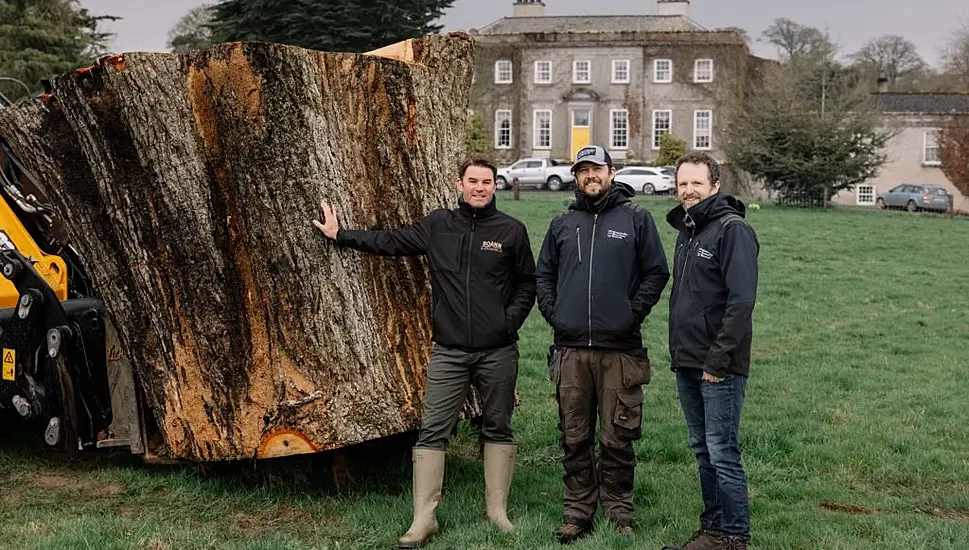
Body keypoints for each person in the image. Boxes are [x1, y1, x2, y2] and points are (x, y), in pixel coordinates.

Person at [312, 157, 536, 549]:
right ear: (459, 184)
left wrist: (508, 321)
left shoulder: (511, 231)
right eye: (472, 181)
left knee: (497, 426)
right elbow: (391, 241)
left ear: (495, 186)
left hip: (498, 351)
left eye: (486, 181)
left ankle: (497, 513)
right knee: (432, 430)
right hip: (449, 352)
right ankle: (423, 519)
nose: (479, 187)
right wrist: (341, 234)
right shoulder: (438, 226)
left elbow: (527, 284)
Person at [534, 145, 670, 543]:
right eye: (583, 170)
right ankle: (577, 511)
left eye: (597, 169)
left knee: (617, 436)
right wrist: (555, 314)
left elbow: (656, 273)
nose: (591, 176)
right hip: (571, 350)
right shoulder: (562, 223)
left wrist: (631, 314)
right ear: (576, 177)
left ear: (612, 172)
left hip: (620, 351)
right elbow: (543, 275)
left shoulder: (636, 219)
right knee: (574, 435)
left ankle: (619, 509)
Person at [661, 151, 759, 550]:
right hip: (688, 360)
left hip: (719, 364)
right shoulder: (689, 231)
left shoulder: (731, 230)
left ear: (715, 185)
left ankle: (734, 536)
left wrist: (718, 360)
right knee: (703, 449)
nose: (688, 190)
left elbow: (741, 302)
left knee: (722, 450)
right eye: (682, 183)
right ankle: (713, 529)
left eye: (696, 183)